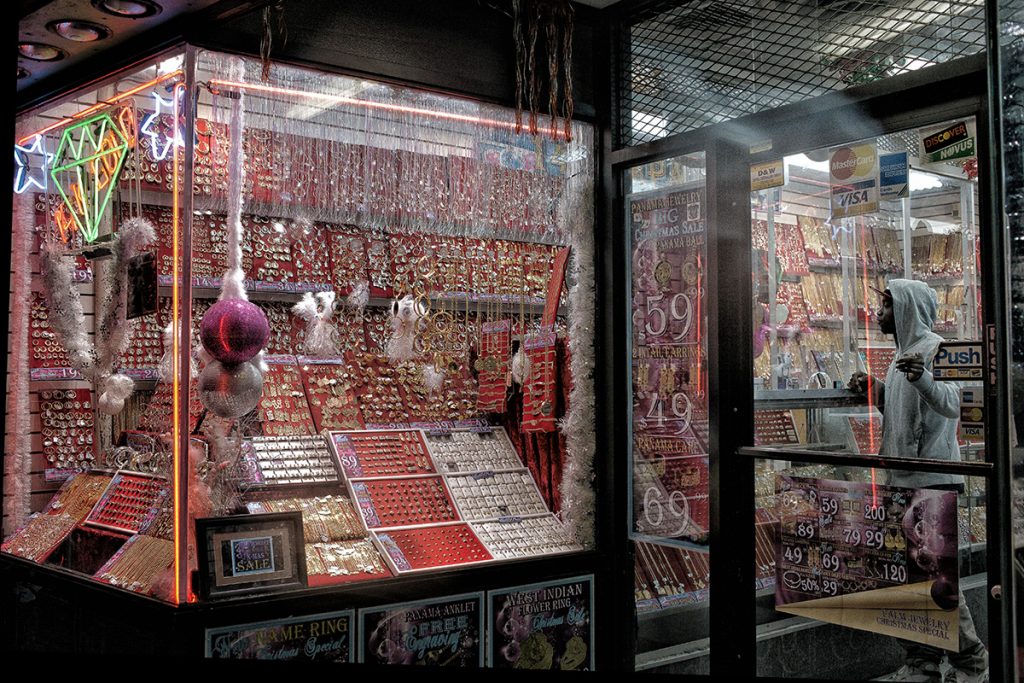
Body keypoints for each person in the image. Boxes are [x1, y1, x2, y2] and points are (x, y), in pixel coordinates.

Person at [848, 279, 989, 683]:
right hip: (904, 479)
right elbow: (900, 411)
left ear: (907, 308)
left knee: (936, 579)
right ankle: (922, 662)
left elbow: (950, 404)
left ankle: (971, 661)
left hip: (933, 481)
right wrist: (873, 389)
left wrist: (922, 378)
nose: (879, 314)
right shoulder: (899, 358)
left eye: (887, 306)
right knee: (910, 579)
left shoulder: (935, 349)